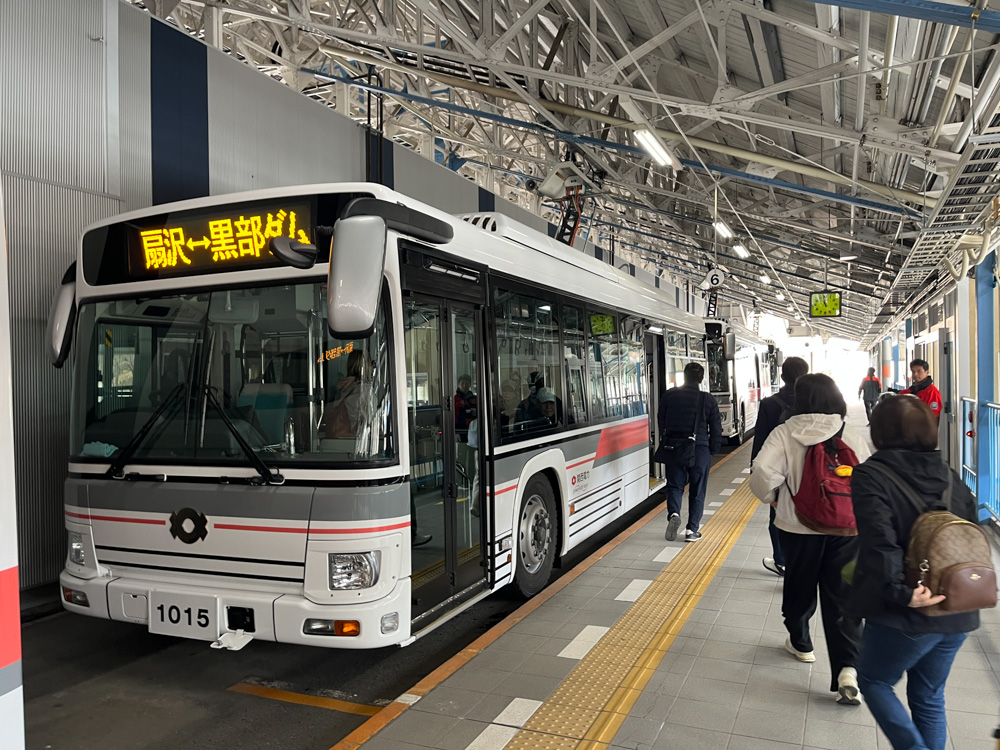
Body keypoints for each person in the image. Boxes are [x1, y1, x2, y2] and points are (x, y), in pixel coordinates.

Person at [850, 396, 978, 750]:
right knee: (929, 696)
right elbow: (969, 532)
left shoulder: (871, 474)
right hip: (957, 606)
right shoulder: (950, 475)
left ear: (879, 431)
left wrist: (901, 592)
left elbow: (879, 540)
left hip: (908, 611)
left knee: (874, 681)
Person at [749, 373, 871, 705]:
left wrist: (774, 496)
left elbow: (761, 472)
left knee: (799, 584)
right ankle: (847, 668)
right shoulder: (850, 432)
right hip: (845, 531)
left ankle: (801, 642)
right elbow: (868, 474)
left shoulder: (786, 431)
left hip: (797, 527)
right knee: (842, 597)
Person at [751, 356, 809, 577]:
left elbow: (761, 440)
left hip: (778, 469)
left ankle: (782, 561)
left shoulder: (769, 403)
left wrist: (755, 471)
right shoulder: (814, 401)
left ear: (782, 376)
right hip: (807, 468)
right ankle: (804, 559)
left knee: (776, 513)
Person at [660, 363, 722, 543]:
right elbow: (716, 429)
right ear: (701, 379)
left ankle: (673, 513)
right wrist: (713, 449)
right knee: (697, 489)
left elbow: (661, 420)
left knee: (675, 485)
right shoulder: (708, 399)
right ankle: (691, 529)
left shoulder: (669, 395)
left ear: (683, 376)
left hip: (674, 447)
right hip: (699, 449)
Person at [323, 350, 373, 438]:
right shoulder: (365, 389)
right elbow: (370, 419)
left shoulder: (343, 386)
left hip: (336, 436)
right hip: (354, 439)